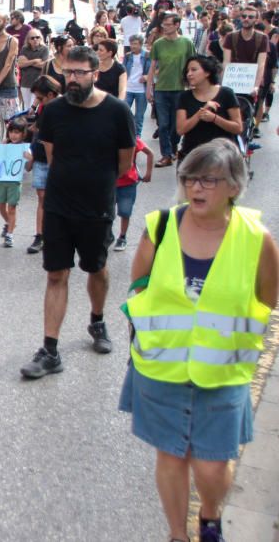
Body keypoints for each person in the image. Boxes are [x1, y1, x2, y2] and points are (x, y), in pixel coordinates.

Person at [121, 139, 278, 542]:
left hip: (224, 371)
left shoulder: (257, 239)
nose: (197, 189)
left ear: (234, 187)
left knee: (210, 466)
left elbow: (267, 299)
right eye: (191, 178)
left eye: (210, 180)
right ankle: (177, 534)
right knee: (171, 456)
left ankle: (209, 516)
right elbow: (139, 284)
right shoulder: (161, 225)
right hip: (162, 366)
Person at [20, 46, 136, 379]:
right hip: (59, 206)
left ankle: (97, 322)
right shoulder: (53, 111)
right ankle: (50, 350)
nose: (71, 79)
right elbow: (53, 156)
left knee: (96, 268)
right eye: (67, 72)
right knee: (56, 274)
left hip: (97, 207)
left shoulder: (116, 112)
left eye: (79, 73)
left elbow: (124, 163)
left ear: (95, 75)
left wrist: (96, 185)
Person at [148, 12, 196, 167]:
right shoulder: (158, 44)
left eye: (168, 24)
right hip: (162, 88)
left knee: (176, 125)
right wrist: (149, 88)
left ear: (177, 25)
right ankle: (166, 155)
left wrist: (194, 84)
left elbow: (193, 64)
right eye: (164, 24)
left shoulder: (186, 43)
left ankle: (174, 146)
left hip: (180, 88)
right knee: (162, 124)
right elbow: (153, 66)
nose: (165, 27)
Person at [176, 55, 242, 162]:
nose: (189, 74)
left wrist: (214, 118)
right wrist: (200, 113)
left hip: (222, 155)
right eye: (187, 71)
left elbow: (238, 128)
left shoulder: (226, 93)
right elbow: (181, 129)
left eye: (194, 70)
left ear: (207, 73)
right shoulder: (184, 97)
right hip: (193, 154)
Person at [25, 75, 63, 255]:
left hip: (61, 160)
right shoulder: (43, 108)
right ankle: (40, 235)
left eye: (40, 98)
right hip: (41, 157)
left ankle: (57, 235)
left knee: (59, 199)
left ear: (51, 94)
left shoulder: (65, 108)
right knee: (42, 197)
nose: (37, 101)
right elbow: (37, 131)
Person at [222, 6, 269, 131]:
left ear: (256, 20)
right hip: (234, 81)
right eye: (244, 16)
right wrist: (223, 83)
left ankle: (252, 132)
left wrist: (256, 86)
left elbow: (261, 64)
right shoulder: (231, 37)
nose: (246, 19)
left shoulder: (262, 38)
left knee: (251, 112)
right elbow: (226, 61)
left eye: (250, 17)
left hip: (252, 82)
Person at [113, 136, 154, 251]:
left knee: (125, 212)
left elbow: (150, 153)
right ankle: (107, 236)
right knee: (106, 212)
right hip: (109, 182)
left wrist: (148, 173)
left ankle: (122, 237)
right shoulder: (106, 135)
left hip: (127, 182)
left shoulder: (132, 138)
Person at [0, 118, 31, 248]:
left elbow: (28, 167)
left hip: (15, 182)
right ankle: (9, 223)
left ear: (23, 134)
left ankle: (10, 234)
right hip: (2, 180)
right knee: (0, 206)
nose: (13, 135)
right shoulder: (5, 145)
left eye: (17, 132)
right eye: (11, 132)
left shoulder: (25, 149)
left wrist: (30, 158)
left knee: (11, 208)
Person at [123, 34, 152, 136]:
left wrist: (147, 77)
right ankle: (126, 133)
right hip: (129, 88)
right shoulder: (127, 56)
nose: (133, 46)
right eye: (131, 44)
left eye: (135, 44)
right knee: (124, 112)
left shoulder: (148, 56)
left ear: (141, 44)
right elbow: (123, 71)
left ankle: (137, 137)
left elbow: (156, 70)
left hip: (142, 90)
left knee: (139, 116)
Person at [17, 30, 49, 110]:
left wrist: (26, 62)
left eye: (37, 37)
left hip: (38, 84)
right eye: (32, 38)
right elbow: (20, 64)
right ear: (28, 40)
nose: (35, 39)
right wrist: (34, 61)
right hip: (25, 83)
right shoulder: (24, 49)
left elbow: (43, 65)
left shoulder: (44, 49)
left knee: (34, 107)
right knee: (27, 107)